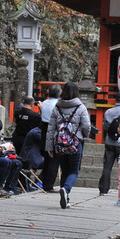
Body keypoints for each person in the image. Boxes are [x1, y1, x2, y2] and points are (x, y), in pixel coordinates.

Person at [44, 80, 91, 209]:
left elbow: (51, 127)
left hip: (59, 143)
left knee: (64, 170)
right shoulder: (80, 107)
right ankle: (66, 189)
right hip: (75, 142)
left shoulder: (57, 107)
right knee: (74, 171)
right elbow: (86, 126)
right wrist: (83, 135)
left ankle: (66, 197)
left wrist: (49, 146)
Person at [39, 84, 63, 192]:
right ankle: (49, 185)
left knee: (47, 160)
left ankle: (44, 183)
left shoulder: (44, 103)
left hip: (44, 131)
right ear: (59, 94)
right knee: (54, 160)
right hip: (54, 131)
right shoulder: (58, 105)